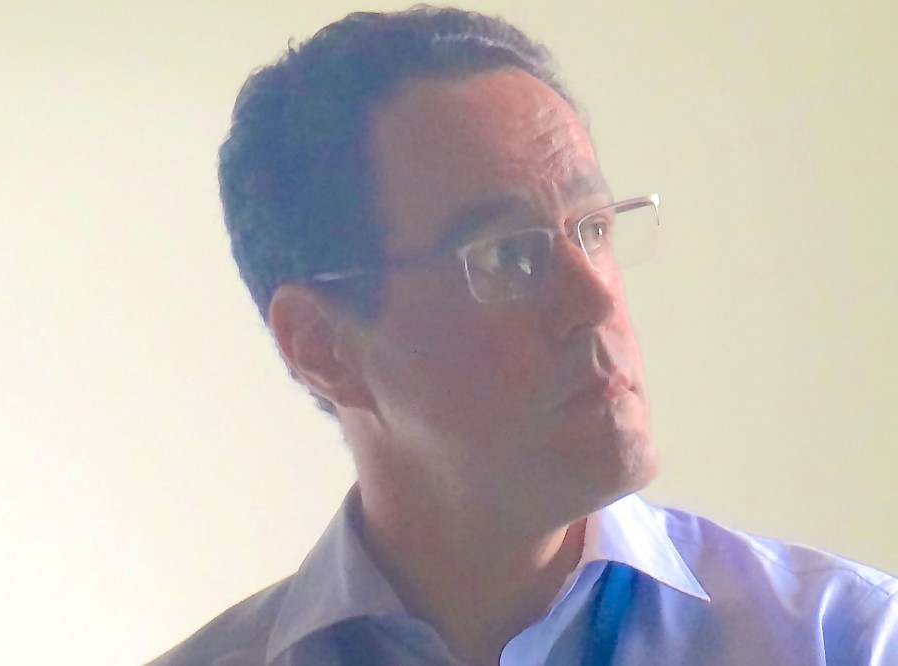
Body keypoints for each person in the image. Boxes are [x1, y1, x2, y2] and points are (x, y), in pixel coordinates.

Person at [149, 6, 897, 665]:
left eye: (593, 229)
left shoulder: (844, 643)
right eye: (509, 255)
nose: (595, 299)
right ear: (322, 345)